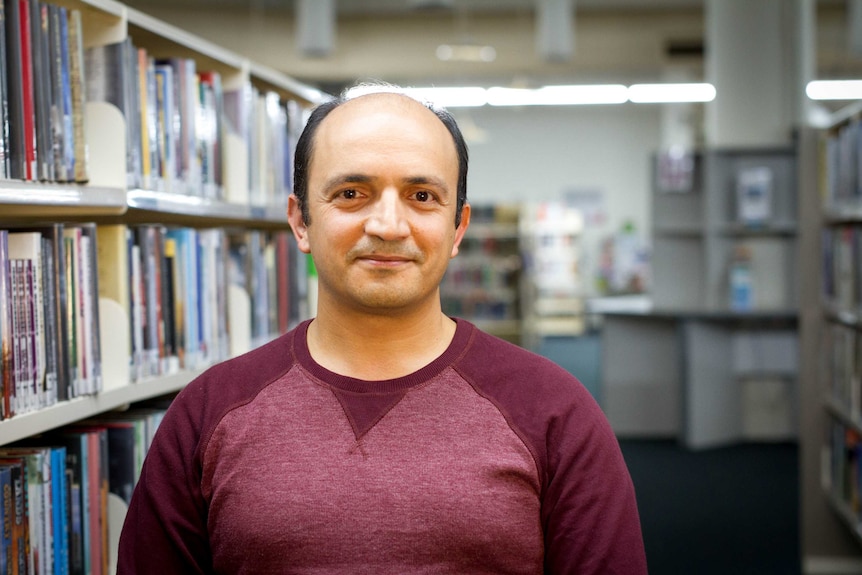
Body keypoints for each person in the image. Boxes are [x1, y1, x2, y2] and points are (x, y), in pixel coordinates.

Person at [117, 86, 648, 574]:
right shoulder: (209, 412)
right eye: (351, 193)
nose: (388, 226)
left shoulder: (554, 410)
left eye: (421, 197)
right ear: (301, 221)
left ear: (458, 226)